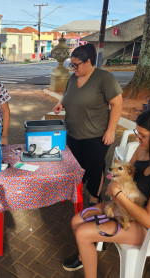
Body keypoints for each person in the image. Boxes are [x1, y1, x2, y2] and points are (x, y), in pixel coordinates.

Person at [62, 107, 150, 278]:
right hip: (128, 205)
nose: (138, 139)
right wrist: (115, 181)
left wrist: (118, 196)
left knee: (83, 232)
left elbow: (149, 219)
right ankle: (85, 255)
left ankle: (87, 258)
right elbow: (125, 172)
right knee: (76, 220)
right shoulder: (142, 149)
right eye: (137, 133)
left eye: (143, 136)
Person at [53, 43, 123, 204]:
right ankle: (77, 191)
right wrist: (61, 103)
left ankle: (94, 198)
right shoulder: (73, 78)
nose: (73, 68)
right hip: (72, 133)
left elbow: (117, 104)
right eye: (71, 65)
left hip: (95, 135)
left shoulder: (104, 78)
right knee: (76, 166)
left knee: (94, 168)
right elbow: (67, 94)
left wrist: (111, 130)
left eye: (76, 65)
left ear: (88, 61)